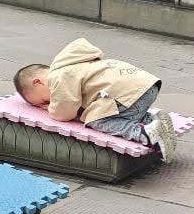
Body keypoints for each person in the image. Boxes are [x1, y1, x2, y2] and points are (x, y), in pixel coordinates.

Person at [14, 38, 178, 161]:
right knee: (114, 113)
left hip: (125, 94)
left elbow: (64, 113)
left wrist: (51, 109)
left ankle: (144, 133)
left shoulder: (58, 78)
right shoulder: (73, 63)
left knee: (95, 120)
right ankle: (153, 120)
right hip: (146, 86)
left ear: (38, 82)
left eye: (43, 100)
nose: (47, 103)